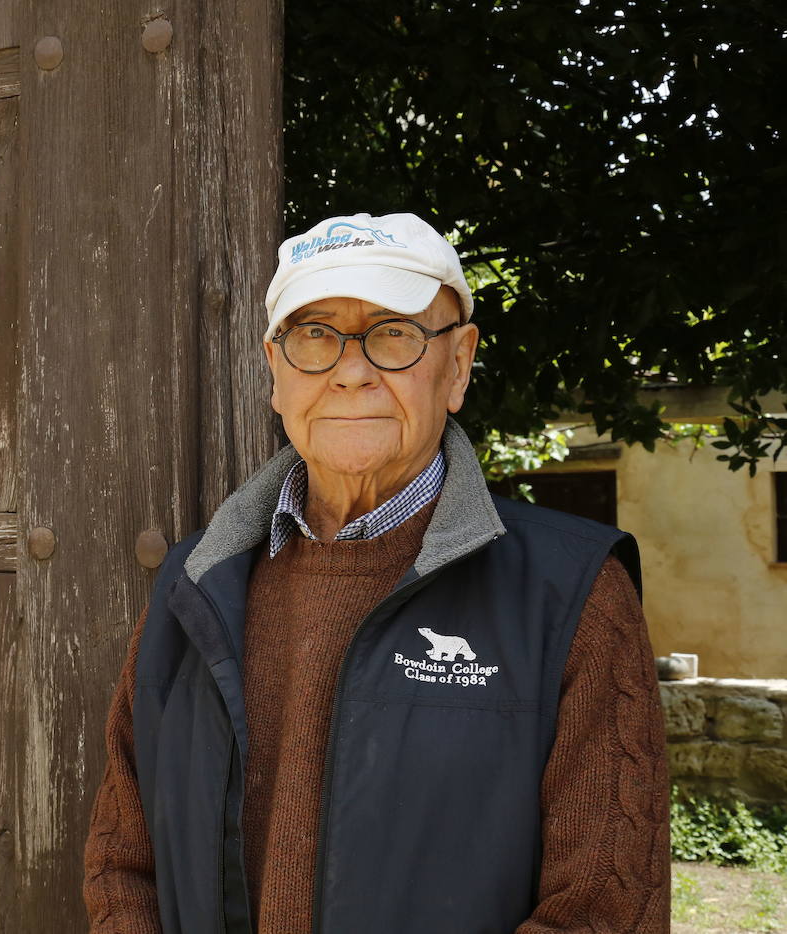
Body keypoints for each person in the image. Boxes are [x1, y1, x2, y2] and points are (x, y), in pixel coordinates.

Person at [82, 211, 670, 933]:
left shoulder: (572, 592)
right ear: (276, 372)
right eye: (315, 335)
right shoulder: (194, 583)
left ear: (457, 365)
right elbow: (122, 866)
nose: (351, 371)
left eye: (393, 333)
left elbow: (603, 912)